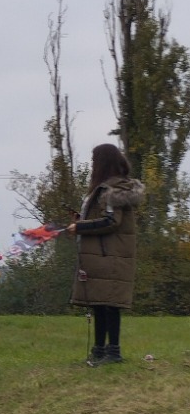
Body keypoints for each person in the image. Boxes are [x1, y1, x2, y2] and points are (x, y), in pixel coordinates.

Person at [67, 143, 144, 365]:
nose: (92, 165)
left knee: (110, 305)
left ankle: (114, 353)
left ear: (103, 163)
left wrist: (80, 227)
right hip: (103, 255)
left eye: (94, 161)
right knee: (99, 303)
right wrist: (81, 220)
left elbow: (111, 221)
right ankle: (99, 350)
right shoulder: (107, 189)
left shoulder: (112, 191)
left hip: (110, 255)